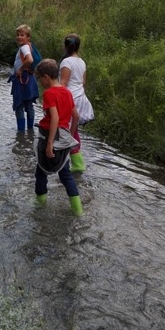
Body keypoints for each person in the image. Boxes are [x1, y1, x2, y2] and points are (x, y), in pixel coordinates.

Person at [33, 58, 83, 216]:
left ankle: (39, 205)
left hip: (50, 136)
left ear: (46, 77)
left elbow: (54, 118)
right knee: (65, 174)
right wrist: (70, 134)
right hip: (63, 138)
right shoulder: (66, 92)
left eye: (39, 78)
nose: (40, 82)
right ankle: (77, 209)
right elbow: (76, 116)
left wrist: (49, 144)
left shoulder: (49, 94)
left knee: (41, 172)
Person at [59, 33, 95, 172]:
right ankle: (76, 163)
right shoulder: (81, 61)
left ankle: (69, 162)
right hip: (80, 98)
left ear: (65, 46)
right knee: (73, 131)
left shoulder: (66, 62)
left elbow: (63, 83)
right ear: (78, 47)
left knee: (64, 131)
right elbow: (83, 81)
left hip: (70, 99)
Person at [8, 24, 39, 132]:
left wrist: (20, 69)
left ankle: (21, 133)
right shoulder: (29, 46)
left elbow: (29, 60)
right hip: (29, 79)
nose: (19, 37)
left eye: (22, 35)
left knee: (19, 106)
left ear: (28, 37)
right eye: (17, 35)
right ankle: (30, 131)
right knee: (29, 105)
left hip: (22, 80)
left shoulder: (24, 47)